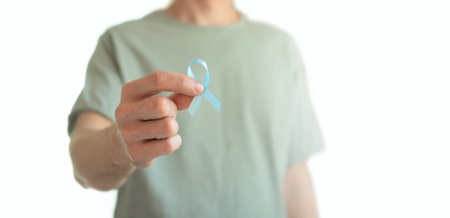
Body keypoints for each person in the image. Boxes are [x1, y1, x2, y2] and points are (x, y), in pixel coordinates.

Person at [68, 0, 325, 217]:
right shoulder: (120, 43)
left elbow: (294, 178)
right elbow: (84, 166)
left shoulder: (280, 49)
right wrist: (119, 146)